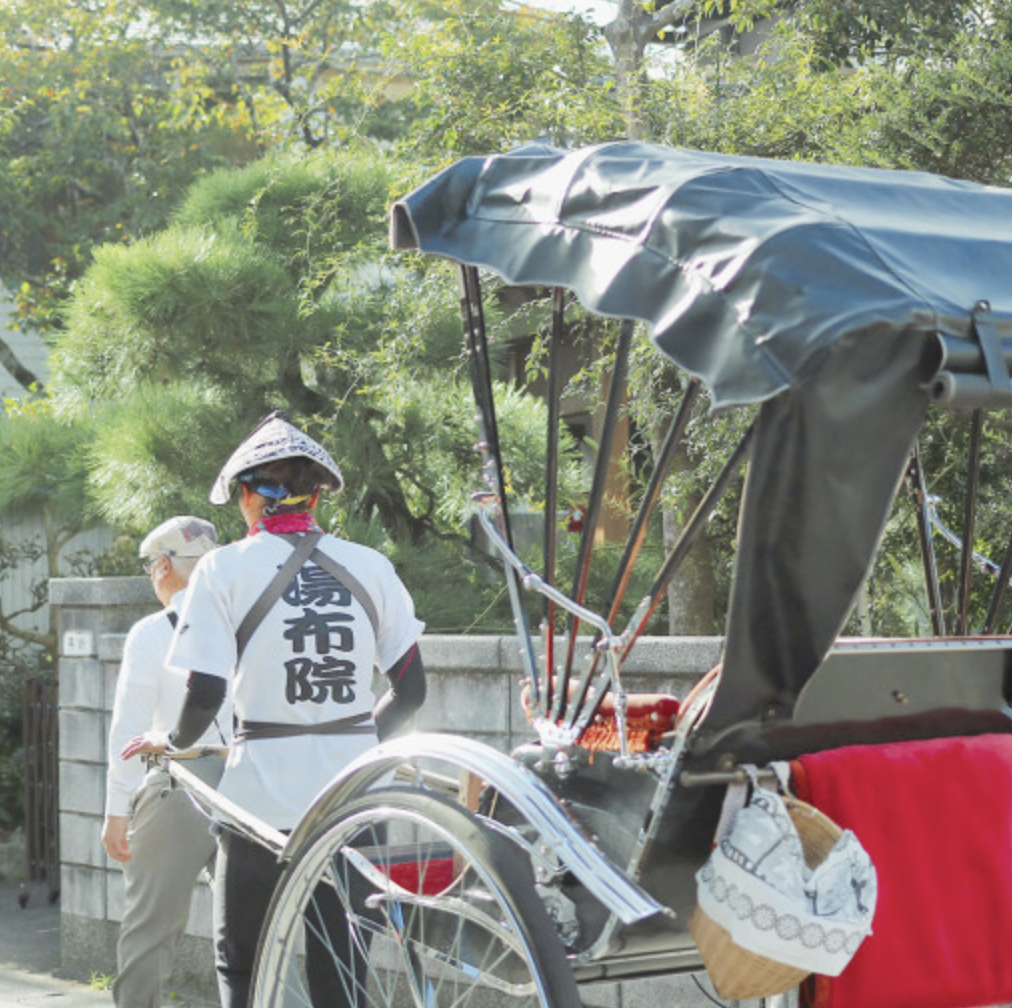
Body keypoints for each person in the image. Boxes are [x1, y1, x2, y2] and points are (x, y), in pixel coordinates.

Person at [122, 411, 426, 1008]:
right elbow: (411, 692)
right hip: (355, 797)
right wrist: (360, 742)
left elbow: (205, 693)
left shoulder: (221, 568)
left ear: (245, 497)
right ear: (317, 494)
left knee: (244, 963)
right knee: (341, 969)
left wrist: (175, 741)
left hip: (258, 799)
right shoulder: (372, 566)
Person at [103, 516, 228, 1008]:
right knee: (251, 931)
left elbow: (129, 731)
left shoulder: (153, 632)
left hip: (180, 781)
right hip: (249, 781)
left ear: (165, 567)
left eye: (153, 564)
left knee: (150, 930)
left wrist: (117, 809)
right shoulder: (246, 622)